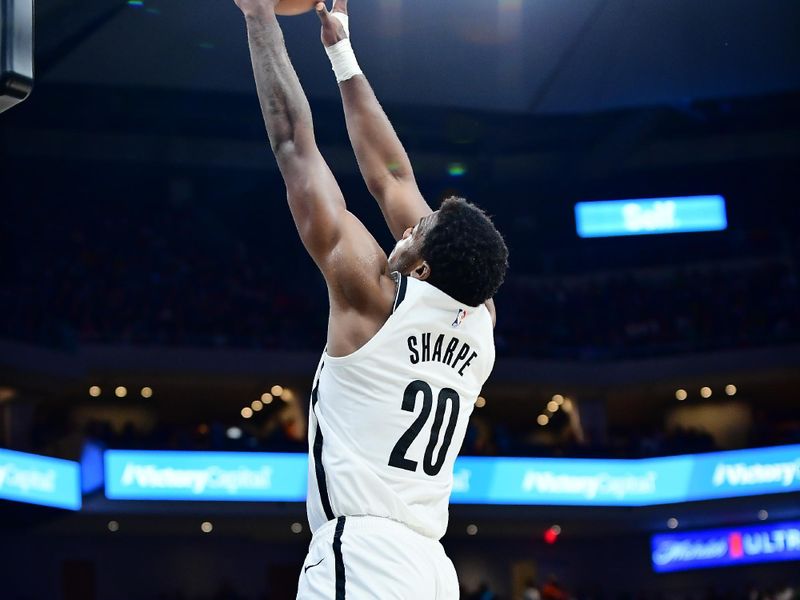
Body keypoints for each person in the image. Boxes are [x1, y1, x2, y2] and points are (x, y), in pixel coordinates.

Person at [232, 0, 509, 597]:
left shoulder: (374, 301)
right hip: (432, 567)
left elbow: (294, 146)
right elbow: (394, 179)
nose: (409, 226)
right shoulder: (480, 322)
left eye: (419, 231)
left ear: (427, 264)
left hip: (364, 557)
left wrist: (259, 17)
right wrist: (342, 52)